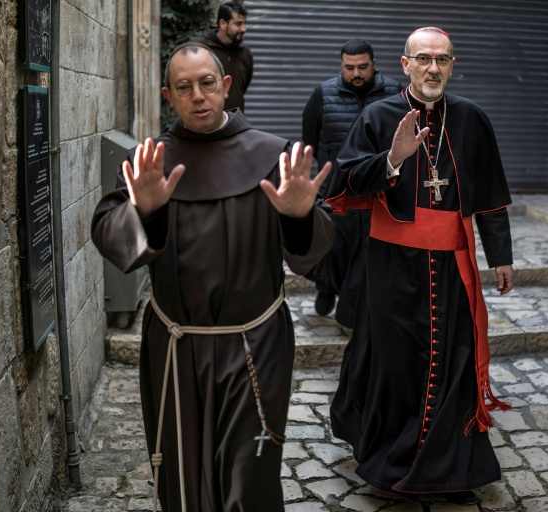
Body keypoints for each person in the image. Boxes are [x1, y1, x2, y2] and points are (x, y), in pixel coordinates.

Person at [91, 43, 333, 512]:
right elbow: (110, 237)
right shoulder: (152, 161)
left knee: (250, 470)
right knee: (182, 471)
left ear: (225, 87)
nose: (197, 95)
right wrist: (143, 209)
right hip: (176, 348)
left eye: (206, 83)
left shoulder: (273, 155)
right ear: (169, 96)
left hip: (254, 345)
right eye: (184, 87)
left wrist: (300, 218)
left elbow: (313, 254)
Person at [327, 27, 514, 505]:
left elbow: (491, 193)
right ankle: (388, 464)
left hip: (452, 266)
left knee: (452, 362)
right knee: (395, 365)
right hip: (391, 266)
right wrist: (391, 159)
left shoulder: (472, 119)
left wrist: (502, 256)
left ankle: (448, 471)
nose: (434, 68)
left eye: (443, 60)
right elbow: (344, 185)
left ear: (452, 65)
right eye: (424, 59)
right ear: (406, 63)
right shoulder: (378, 116)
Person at [302, 39, 402, 325]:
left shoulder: (395, 92)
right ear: (341, 65)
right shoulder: (323, 94)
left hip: (377, 191)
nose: (356, 73)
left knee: (367, 252)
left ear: (373, 63)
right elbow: (310, 139)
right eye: (349, 68)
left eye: (362, 67)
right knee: (332, 247)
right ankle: (326, 287)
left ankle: (353, 309)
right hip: (335, 189)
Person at [195, 1, 252, 111]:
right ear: (223, 24)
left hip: (236, 123)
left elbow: (242, 87)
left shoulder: (245, 52)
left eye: (245, 23)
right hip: (207, 122)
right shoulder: (201, 49)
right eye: (238, 24)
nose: (244, 29)